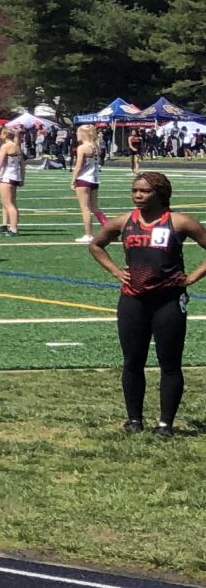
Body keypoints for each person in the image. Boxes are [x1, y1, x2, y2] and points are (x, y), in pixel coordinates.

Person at [89, 171, 202, 436]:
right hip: (133, 300)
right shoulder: (125, 221)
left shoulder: (179, 222)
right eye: (135, 190)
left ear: (160, 193)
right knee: (132, 361)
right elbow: (96, 245)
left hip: (168, 301)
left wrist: (191, 278)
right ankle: (134, 419)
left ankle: (165, 424)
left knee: (170, 363)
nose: (138, 196)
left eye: (145, 191)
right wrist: (117, 271)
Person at [72, 124, 107, 244]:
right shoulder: (96, 146)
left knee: (85, 209)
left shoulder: (82, 148)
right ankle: (109, 230)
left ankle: (89, 234)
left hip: (83, 180)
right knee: (95, 207)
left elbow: (78, 166)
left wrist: (73, 180)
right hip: (94, 179)